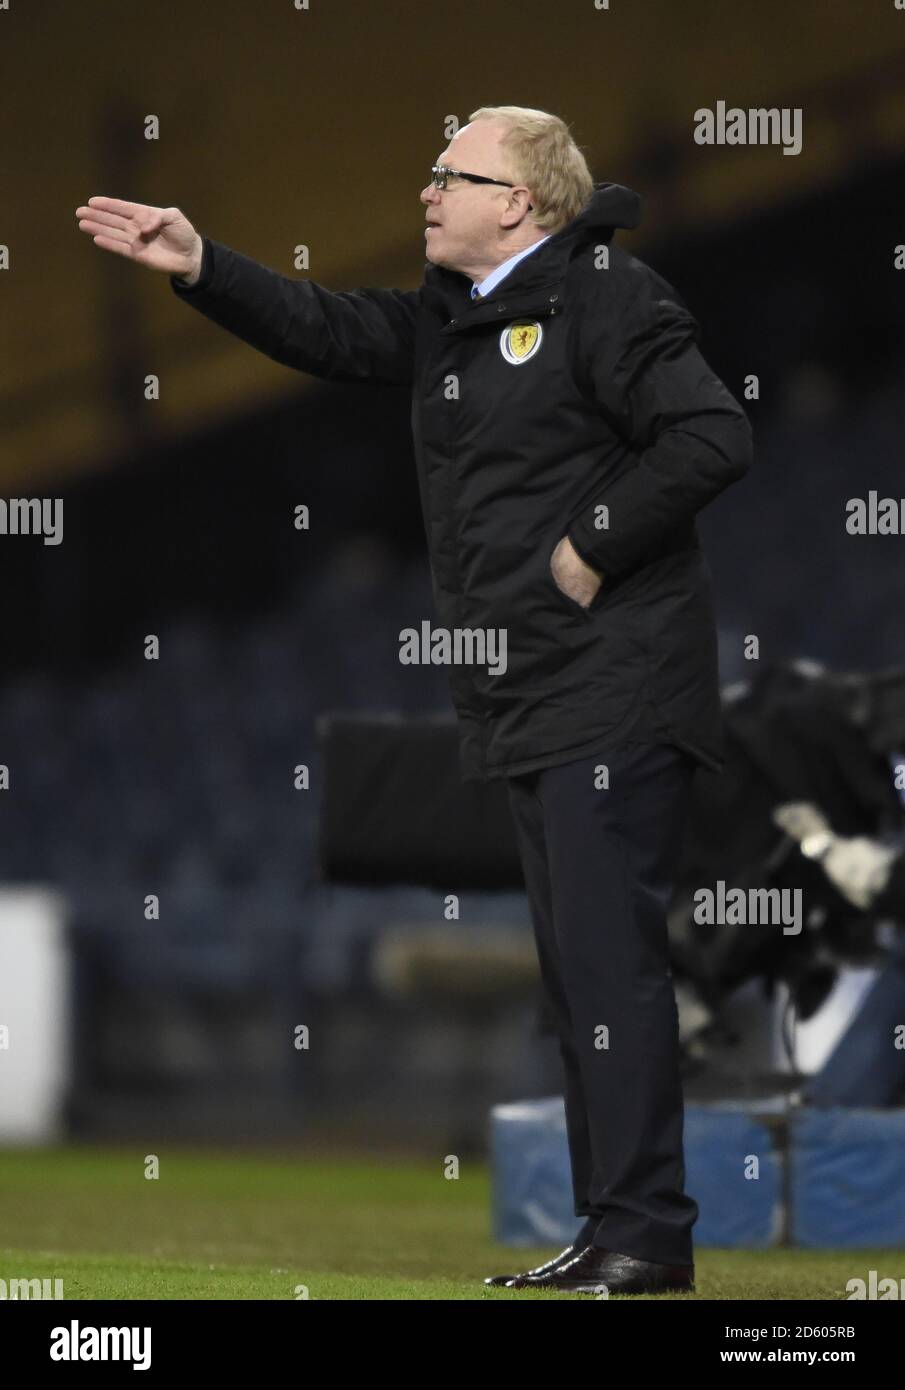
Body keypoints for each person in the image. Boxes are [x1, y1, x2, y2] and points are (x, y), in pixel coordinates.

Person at [76, 104, 752, 1295]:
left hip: (619, 688)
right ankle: (611, 1233)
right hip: (535, 697)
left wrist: (588, 545)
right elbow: (332, 329)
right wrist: (202, 268)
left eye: (455, 171)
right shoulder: (459, 321)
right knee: (576, 980)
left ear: (524, 202)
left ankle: (648, 1237)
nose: (428, 187)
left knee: (610, 971)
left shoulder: (605, 294)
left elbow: (709, 433)